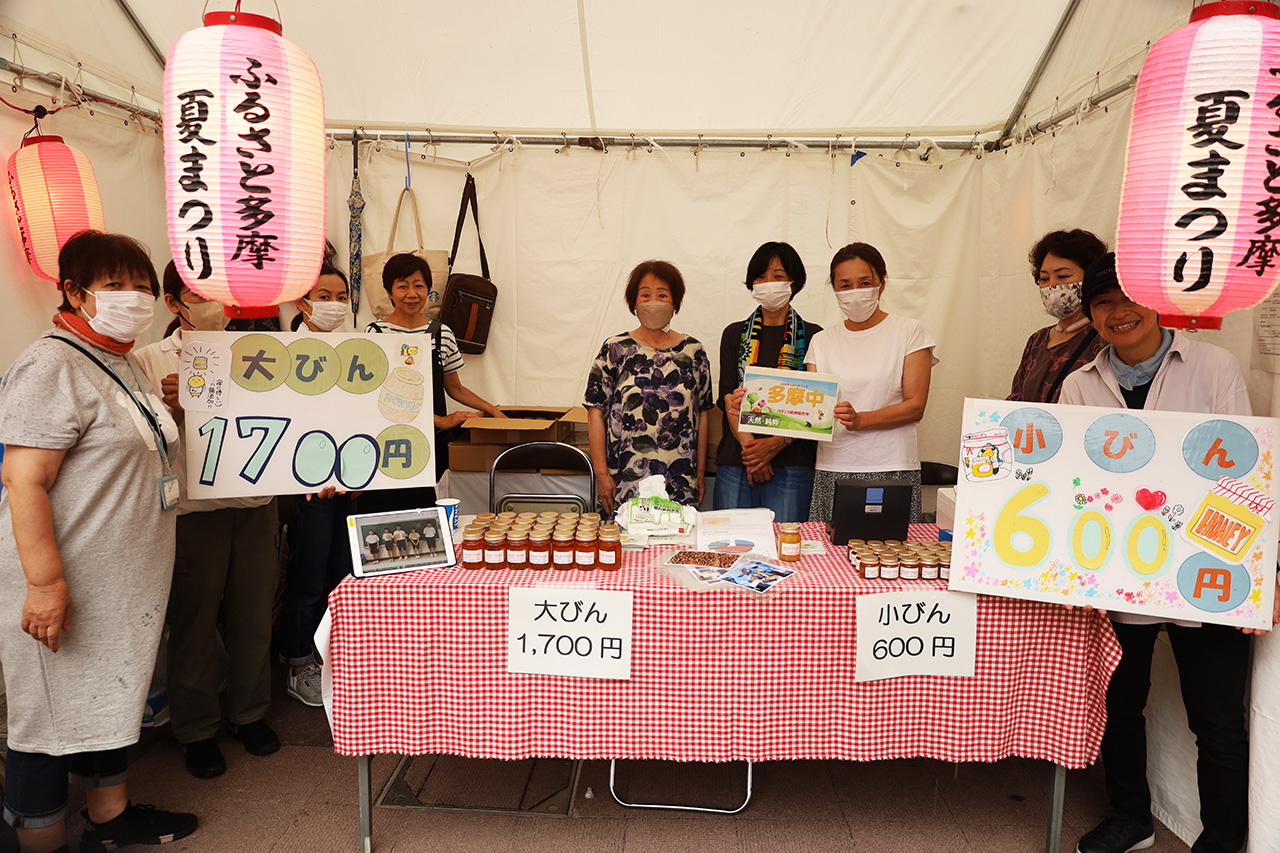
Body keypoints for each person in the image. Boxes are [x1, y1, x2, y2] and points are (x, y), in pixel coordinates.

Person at [1061, 253, 1280, 853]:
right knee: (1118, 700)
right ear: (1090, 316)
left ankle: (1222, 838)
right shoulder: (1078, 384)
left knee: (1216, 716)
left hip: (1204, 564)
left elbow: (1244, 473)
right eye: (1103, 302)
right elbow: (1069, 484)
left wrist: (1261, 570)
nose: (1118, 312)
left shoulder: (1213, 365)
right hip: (1115, 567)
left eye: (1128, 298)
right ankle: (1131, 815)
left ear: (1156, 301)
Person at [0, 231, 197, 852]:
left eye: (143, 288)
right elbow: (23, 480)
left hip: (121, 578)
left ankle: (110, 817)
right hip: (68, 576)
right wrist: (45, 584)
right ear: (74, 292)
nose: (134, 299)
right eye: (115, 286)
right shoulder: (49, 364)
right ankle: (41, 840)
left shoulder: (124, 358)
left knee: (110, 695)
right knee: (48, 718)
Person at [133, 263, 280, 780]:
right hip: (194, 511)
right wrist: (173, 410)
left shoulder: (262, 352)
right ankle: (195, 729)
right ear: (174, 303)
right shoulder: (149, 360)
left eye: (218, 291)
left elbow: (289, 422)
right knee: (193, 624)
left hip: (257, 505)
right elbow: (140, 443)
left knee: (253, 615)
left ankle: (249, 714)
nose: (212, 302)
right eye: (199, 292)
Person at [797, 243, 936, 524]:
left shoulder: (909, 332)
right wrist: (758, 408)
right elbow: (811, 411)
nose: (854, 292)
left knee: (890, 559)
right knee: (831, 559)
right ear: (835, 290)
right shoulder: (821, 342)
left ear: (882, 284)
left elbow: (915, 406)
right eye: (844, 285)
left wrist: (861, 420)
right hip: (833, 465)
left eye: (865, 283)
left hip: (892, 466)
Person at [276, 266, 359, 707]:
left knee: (342, 574)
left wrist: (368, 474)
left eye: (341, 295)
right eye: (323, 295)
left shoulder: (358, 349)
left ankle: (333, 659)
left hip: (350, 485)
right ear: (303, 303)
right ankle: (297, 662)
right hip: (307, 487)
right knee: (307, 576)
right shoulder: (281, 352)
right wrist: (308, 476)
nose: (333, 303)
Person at [364, 253, 504, 512]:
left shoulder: (442, 333)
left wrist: (493, 410)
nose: (412, 293)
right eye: (402, 286)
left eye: (419, 286)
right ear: (389, 291)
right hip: (390, 438)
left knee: (426, 505)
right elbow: (375, 396)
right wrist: (440, 419)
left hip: (429, 441)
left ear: (429, 290)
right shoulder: (377, 333)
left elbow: (455, 388)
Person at [586, 260, 714, 514]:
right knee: (628, 547)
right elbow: (595, 412)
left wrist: (700, 472)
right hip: (625, 478)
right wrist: (601, 474)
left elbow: (703, 413)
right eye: (645, 294)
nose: (653, 301)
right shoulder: (616, 349)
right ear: (634, 302)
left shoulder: (693, 352)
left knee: (678, 545)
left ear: (675, 302)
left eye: (662, 294)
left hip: (679, 477)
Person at [714, 242, 822, 521]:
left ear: (793, 282)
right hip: (737, 459)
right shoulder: (734, 334)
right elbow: (728, 396)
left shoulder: (814, 336)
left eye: (777, 276)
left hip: (792, 460)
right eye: (760, 277)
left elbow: (816, 405)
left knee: (785, 550)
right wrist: (753, 452)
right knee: (728, 548)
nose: (768, 283)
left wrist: (776, 443)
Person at [1007, 229, 1109, 403]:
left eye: (1063, 276)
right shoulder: (1037, 340)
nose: (1052, 286)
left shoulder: (1105, 338)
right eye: (1044, 279)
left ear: (1090, 277)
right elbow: (1017, 397)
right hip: (1032, 430)